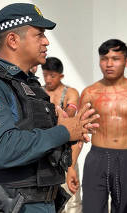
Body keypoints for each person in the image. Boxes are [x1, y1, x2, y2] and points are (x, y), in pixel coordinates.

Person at [0, 3, 99, 213]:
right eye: (39, 34)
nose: (46, 41)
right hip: (9, 205)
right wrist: (63, 131)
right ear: (13, 40)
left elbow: (36, 141)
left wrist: (69, 132)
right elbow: (4, 149)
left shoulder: (30, 86)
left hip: (42, 202)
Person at [67, 39, 127, 213]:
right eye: (104, 59)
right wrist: (70, 166)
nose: (109, 64)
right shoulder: (90, 92)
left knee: (125, 210)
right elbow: (79, 133)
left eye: (115, 59)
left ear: (126, 62)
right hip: (97, 158)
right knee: (91, 209)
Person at [41, 56, 82, 213]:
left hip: (66, 153)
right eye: (45, 75)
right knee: (48, 199)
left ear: (61, 76)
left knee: (71, 198)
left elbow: (69, 117)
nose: (48, 79)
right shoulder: (38, 90)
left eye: (52, 75)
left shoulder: (70, 92)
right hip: (45, 153)